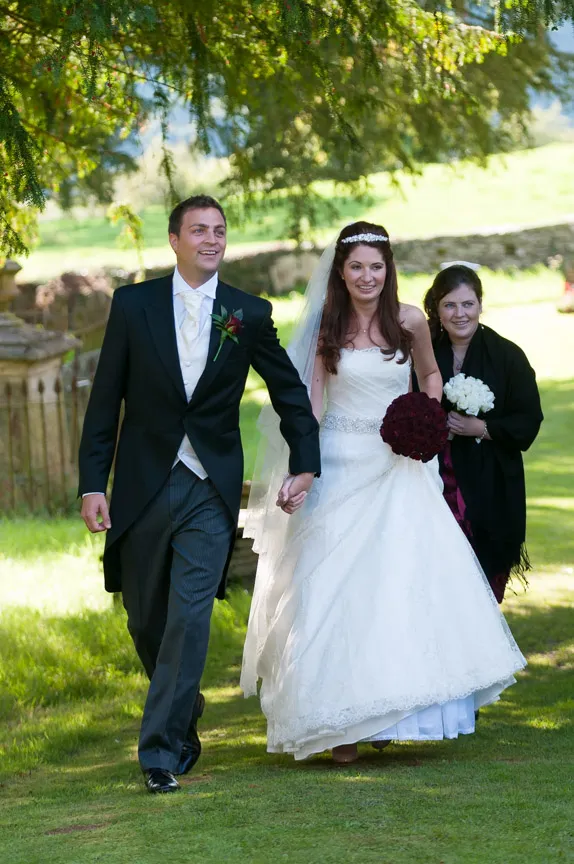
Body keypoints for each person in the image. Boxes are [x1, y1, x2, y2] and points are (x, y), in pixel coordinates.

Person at [241, 222, 526, 764]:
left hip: (398, 468)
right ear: (341, 272)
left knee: (397, 586)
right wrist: (304, 469)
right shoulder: (330, 324)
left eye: (376, 267)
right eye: (356, 267)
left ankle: (391, 711)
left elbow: (430, 376)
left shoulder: (410, 321)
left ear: (388, 270)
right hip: (342, 468)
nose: (366, 277)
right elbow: (315, 401)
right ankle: (340, 723)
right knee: (336, 591)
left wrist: (423, 416)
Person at [78, 194, 321, 793]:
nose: (212, 239)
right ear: (174, 240)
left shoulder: (247, 313)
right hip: (141, 485)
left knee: (190, 616)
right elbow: (106, 400)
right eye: (199, 230)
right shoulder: (133, 306)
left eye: (220, 230)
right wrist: (92, 483)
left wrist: (307, 463)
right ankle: (183, 711)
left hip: (209, 487)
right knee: (145, 618)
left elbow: (290, 392)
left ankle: (159, 753)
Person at [422, 264, 543, 602]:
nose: (459, 314)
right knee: (438, 573)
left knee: (483, 575)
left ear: (480, 305)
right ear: (437, 309)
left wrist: (484, 428)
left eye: (467, 304)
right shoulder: (425, 351)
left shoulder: (508, 356)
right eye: (449, 305)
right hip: (436, 480)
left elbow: (529, 418)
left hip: (490, 481)